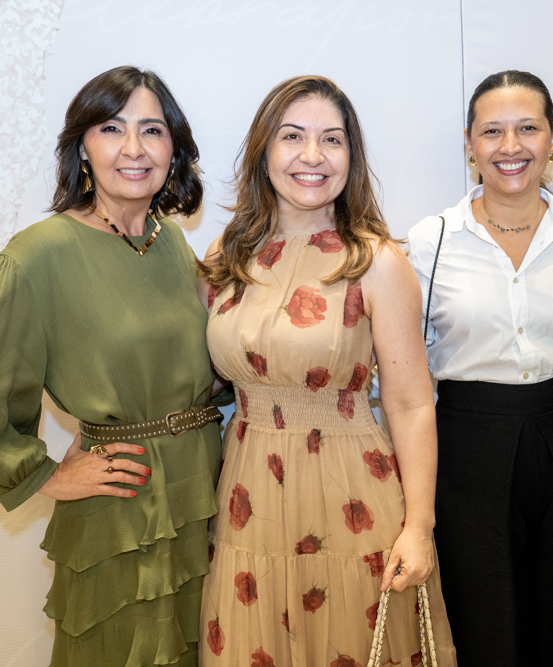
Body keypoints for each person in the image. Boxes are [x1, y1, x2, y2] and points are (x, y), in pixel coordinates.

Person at [0, 66, 221, 666]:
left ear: (173, 148)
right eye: (112, 128)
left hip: (203, 488)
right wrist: (41, 475)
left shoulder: (172, 244)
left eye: (152, 130)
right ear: (83, 146)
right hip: (121, 500)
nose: (133, 148)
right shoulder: (41, 253)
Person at [196, 75, 456, 667]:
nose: (312, 156)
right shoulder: (224, 258)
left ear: (351, 157)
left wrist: (419, 526)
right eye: (293, 137)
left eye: (331, 140)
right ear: (264, 152)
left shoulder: (377, 262)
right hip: (247, 493)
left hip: (350, 492)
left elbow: (412, 403)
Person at [408, 70, 553, 666]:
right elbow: (406, 365)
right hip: (468, 443)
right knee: (483, 615)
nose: (510, 146)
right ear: (469, 143)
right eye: (492, 131)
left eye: (527, 128)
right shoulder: (430, 240)